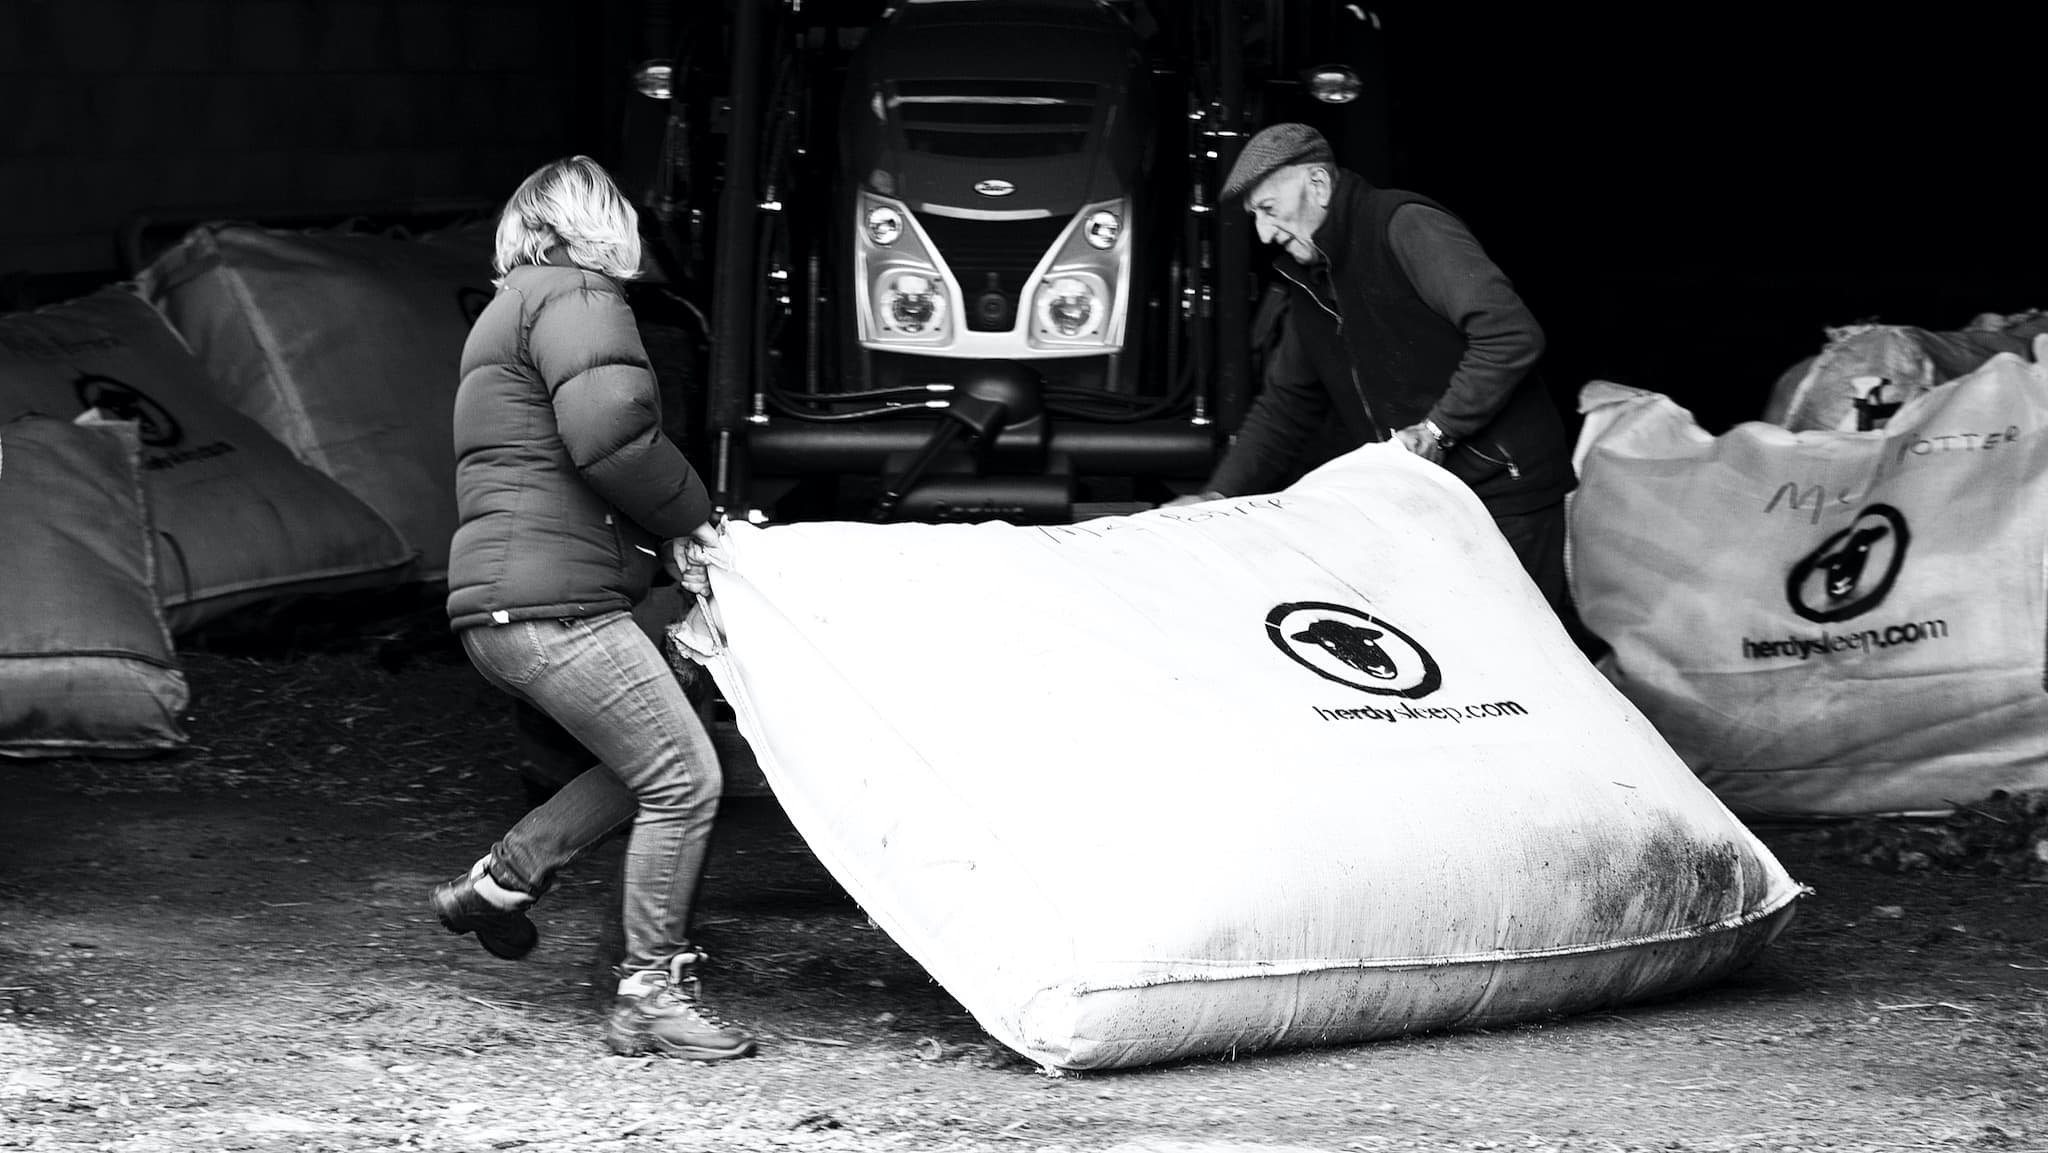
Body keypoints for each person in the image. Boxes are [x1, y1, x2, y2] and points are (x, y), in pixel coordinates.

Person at [426, 155, 754, 1061]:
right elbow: (611, 436)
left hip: (510, 602)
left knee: (665, 748)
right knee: (686, 778)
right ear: (594, 223)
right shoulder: (578, 294)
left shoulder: (510, 307)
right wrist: (698, 519)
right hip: (553, 607)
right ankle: (650, 991)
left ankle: (501, 881)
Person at [1177, 123, 1575, 619]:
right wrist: (1219, 496)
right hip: (1426, 502)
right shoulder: (1310, 281)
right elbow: (1286, 404)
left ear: (1318, 184)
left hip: (1504, 493)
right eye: (1255, 216)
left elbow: (1510, 333)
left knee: (1525, 662)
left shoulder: (1403, 226)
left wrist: (1439, 430)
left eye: (1269, 209)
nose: (1263, 233)